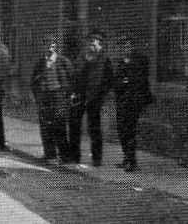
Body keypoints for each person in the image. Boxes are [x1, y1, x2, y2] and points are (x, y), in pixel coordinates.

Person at [67, 31, 112, 167]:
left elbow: (109, 82)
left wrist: (100, 95)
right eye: (90, 42)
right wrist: (73, 92)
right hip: (79, 95)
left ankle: (96, 159)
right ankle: (74, 156)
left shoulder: (105, 61)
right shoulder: (81, 57)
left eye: (95, 43)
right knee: (74, 125)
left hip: (94, 97)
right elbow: (74, 76)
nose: (91, 45)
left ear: (101, 46)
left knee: (94, 128)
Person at [112, 36, 153, 172]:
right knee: (122, 130)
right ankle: (126, 158)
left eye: (128, 46)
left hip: (134, 101)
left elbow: (139, 81)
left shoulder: (140, 61)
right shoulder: (121, 62)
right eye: (123, 46)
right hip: (121, 101)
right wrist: (124, 82)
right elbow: (117, 82)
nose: (126, 48)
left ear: (133, 46)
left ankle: (132, 161)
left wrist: (126, 81)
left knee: (130, 130)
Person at [30, 39, 74, 163]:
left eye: (52, 46)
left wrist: (69, 94)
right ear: (43, 46)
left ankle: (65, 156)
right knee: (45, 126)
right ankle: (49, 154)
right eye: (47, 46)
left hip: (59, 96)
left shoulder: (63, 62)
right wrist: (36, 96)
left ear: (56, 48)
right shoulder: (40, 63)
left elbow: (72, 79)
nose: (50, 49)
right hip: (44, 97)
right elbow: (33, 81)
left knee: (59, 125)